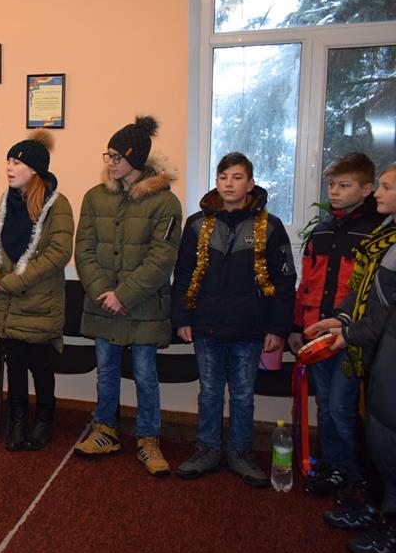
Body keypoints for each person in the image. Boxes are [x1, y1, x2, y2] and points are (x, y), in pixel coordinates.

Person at [172, 152, 296, 486]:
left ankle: (241, 453)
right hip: (206, 327)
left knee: (242, 395)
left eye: (237, 177)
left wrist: (277, 328)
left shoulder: (271, 227)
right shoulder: (196, 224)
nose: (229, 183)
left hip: (250, 330)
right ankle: (207, 450)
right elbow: (183, 275)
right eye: (223, 177)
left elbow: (285, 282)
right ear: (216, 181)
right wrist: (182, 318)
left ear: (250, 184)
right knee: (209, 392)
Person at [73, 116, 181, 477]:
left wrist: (124, 295)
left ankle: (148, 437)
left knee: (145, 375)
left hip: (144, 306)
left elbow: (161, 258)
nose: (110, 162)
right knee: (106, 371)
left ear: (135, 158)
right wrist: (103, 292)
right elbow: (84, 250)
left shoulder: (165, 203)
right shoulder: (94, 197)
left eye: (117, 156)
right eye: (108, 155)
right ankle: (105, 430)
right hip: (103, 303)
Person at [308, 163, 396, 553]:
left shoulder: (377, 232)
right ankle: (368, 499)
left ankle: (380, 512)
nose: (378, 194)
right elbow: (361, 292)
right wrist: (341, 319)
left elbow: (387, 311)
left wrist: (350, 333)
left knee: (351, 415)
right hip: (366, 344)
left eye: (385, 187)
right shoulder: (382, 236)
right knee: (359, 423)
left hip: (372, 346)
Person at [288, 152, 382, 496]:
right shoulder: (322, 230)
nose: (335, 192)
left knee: (342, 408)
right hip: (318, 334)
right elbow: (307, 284)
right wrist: (296, 326)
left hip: (351, 337)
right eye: (331, 185)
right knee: (325, 406)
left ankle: (361, 476)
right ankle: (334, 468)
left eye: (344, 185)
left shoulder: (375, 233)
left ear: (366, 189)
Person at [0, 131, 74, 451]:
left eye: (16, 162)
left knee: (40, 364)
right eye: (8, 161)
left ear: (34, 169)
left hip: (39, 301)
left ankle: (44, 421)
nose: (9, 167)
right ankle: (17, 420)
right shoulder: (6, 202)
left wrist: (15, 282)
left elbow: (58, 253)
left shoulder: (57, 204)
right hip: (7, 301)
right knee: (15, 362)